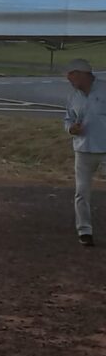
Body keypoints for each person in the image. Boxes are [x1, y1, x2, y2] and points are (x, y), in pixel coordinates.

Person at [64, 58, 106, 248]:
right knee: (81, 192)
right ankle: (85, 231)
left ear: (83, 74)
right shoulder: (73, 97)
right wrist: (71, 129)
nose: (70, 81)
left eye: (72, 76)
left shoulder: (104, 89)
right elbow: (68, 119)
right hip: (82, 149)